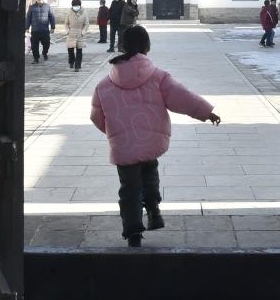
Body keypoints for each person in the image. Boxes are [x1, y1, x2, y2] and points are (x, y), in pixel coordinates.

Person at [89, 26, 222, 247]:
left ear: (122, 47)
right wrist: (206, 112)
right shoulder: (158, 77)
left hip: (123, 147)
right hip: (150, 142)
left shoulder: (103, 85)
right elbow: (183, 97)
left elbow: (96, 116)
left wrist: (115, 134)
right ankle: (153, 209)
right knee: (150, 172)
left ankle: (133, 232)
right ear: (147, 47)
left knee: (129, 188)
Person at [25, 0, 56, 64]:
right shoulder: (32, 7)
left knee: (46, 44)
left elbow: (52, 17)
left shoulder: (48, 6)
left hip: (45, 30)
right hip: (35, 30)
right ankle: (36, 58)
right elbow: (28, 18)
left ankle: (44, 53)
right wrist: (27, 28)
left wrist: (53, 27)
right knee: (34, 46)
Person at [65, 0, 89, 71]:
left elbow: (86, 23)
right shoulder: (69, 12)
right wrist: (67, 30)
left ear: (80, 5)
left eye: (77, 6)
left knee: (79, 50)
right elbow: (66, 23)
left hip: (79, 33)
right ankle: (71, 62)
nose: (76, 7)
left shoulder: (84, 12)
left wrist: (83, 31)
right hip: (71, 33)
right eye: (74, 6)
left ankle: (77, 66)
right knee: (70, 50)